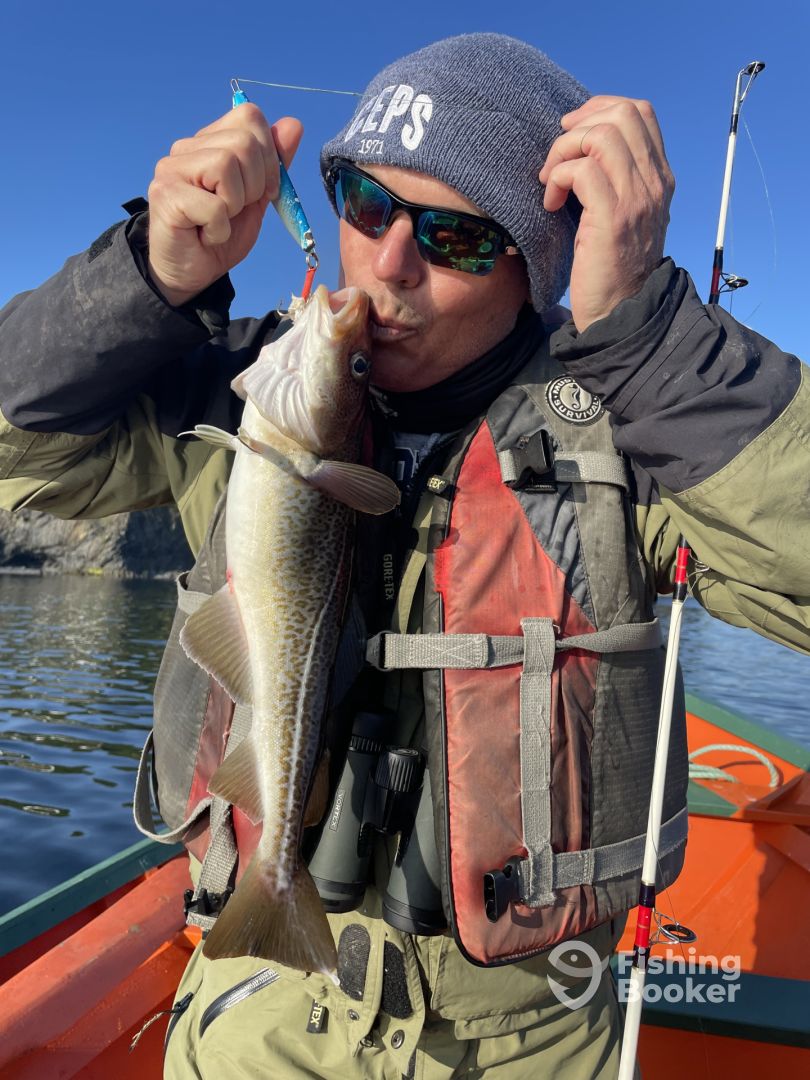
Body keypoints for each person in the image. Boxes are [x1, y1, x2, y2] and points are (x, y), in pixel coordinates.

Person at [1, 32, 807, 1080]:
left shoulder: (628, 430)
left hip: (523, 1043)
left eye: (456, 237)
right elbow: (17, 459)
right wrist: (145, 279)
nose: (388, 262)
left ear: (536, 266)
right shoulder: (245, 396)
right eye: (364, 203)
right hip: (254, 1016)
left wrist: (656, 345)